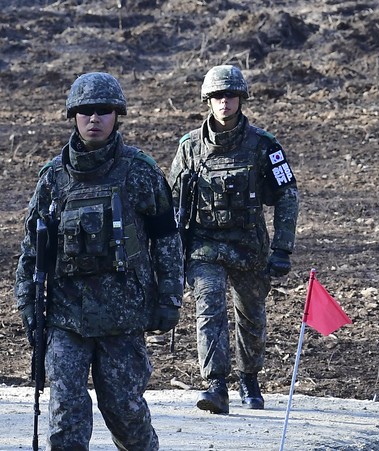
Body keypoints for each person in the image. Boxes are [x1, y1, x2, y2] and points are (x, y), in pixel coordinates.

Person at [14, 72, 183, 450]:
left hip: (123, 318)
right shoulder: (53, 178)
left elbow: (167, 238)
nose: (94, 119)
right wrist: (29, 309)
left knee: (125, 411)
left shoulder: (140, 171)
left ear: (117, 115)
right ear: (73, 115)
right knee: (66, 416)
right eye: (86, 111)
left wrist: (170, 298)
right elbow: (31, 252)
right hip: (65, 317)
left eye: (103, 111)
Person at [168, 64, 299, 415]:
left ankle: (249, 377)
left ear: (241, 99)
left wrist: (283, 248)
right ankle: (215, 384)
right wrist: (170, 253)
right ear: (207, 101)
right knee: (209, 307)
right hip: (204, 245)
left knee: (251, 315)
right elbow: (172, 201)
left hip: (249, 245)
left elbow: (287, 193)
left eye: (230, 96)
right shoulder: (190, 147)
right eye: (216, 97)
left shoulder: (264, 145)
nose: (223, 102)